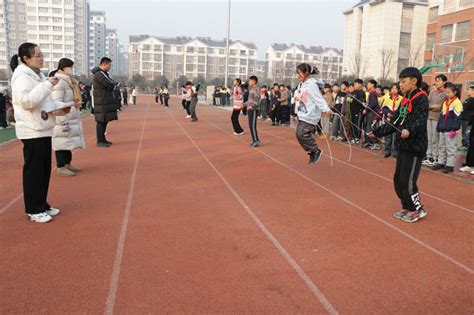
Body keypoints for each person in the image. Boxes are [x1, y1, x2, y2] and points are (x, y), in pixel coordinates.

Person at [10, 42, 67, 223]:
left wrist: (62, 107)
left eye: (42, 55)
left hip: (43, 128)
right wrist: (48, 85)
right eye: (38, 55)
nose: (42, 58)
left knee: (43, 170)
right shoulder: (22, 77)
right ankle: (33, 209)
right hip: (32, 130)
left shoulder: (38, 75)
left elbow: (44, 103)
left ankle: (42, 203)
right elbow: (27, 102)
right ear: (26, 59)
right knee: (34, 171)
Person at [368, 67, 429, 223]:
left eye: (403, 81)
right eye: (400, 81)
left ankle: (417, 209)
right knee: (398, 179)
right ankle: (407, 206)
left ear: (414, 81)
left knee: (408, 180)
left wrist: (409, 130)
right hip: (402, 146)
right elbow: (394, 122)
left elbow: (420, 121)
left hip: (415, 147)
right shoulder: (404, 99)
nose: (400, 85)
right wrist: (376, 132)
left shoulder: (421, 98)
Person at [50, 58, 85, 177]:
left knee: (68, 140)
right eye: (70, 67)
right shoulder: (59, 81)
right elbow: (56, 101)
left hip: (69, 114)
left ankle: (67, 164)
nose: (71, 69)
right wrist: (69, 106)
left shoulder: (69, 81)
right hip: (62, 116)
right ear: (63, 67)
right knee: (61, 141)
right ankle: (60, 166)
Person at [294, 63, 332, 165]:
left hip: (310, 115)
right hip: (303, 113)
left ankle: (315, 150)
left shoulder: (311, 85)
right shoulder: (302, 84)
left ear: (306, 73)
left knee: (301, 134)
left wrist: (326, 109)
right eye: (297, 73)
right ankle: (312, 151)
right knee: (298, 134)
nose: (297, 75)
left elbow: (318, 98)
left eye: (299, 73)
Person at [432, 83, 463, 174]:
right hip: (443, 128)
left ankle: (450, 165)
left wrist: (454, 129)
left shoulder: (457, 103)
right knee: (441, 146)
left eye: (449, 92)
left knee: (451, 148)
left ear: (455, 92)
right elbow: (442, 116)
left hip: (450, 130)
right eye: (446, 92)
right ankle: (441, 162)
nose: (447, 94)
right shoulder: (445, 102)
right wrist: (439, 127)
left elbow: (458, 118)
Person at [92, 57, 117, 147]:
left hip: (104, 100)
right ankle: (100, 140)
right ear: (104, 64)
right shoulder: (99, 74)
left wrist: (112, 84)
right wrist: (112, 84)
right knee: (101, 121)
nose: (110, 67)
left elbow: (111, 83)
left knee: (104, 121)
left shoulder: (104, 74)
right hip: (101, 101)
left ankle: (103, 139)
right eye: (109, 65)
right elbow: (109, 85)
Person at [424, 74, 447, 167]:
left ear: (444, 82)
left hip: (437, 118)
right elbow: (426, 103)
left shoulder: (445, 93)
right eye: (436, 80)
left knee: (435, 139)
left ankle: (435, 157)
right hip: (429, 117)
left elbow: (439, 107)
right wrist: (432, 107)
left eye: (439, 81)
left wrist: (431, 106)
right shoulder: (433, 92)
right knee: (429, 138)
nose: (437, 82)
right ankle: (428, 156)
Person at [381, 83, 403, 158]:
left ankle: (395, 152)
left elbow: (401, 109)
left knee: (395, 136)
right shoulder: (387, 98)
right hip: (388, 119)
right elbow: (383, 108)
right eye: (392, 88)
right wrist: (387, 113)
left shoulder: (401, 98)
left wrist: (394, 115)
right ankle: (387, 151)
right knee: (388, 136)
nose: (394, 90)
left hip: (396, 120)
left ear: (398, 89)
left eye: (396, 89)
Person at [362, 79, 380, 149]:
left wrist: (366, 109)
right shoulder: (372, 92)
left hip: (372, 112)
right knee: (368, 127)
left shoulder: (372, 92)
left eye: (369, 84)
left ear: (372, 85)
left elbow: (373, 104)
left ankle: (375, 143)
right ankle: (369, 142)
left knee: (371, 127)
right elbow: (371, 103)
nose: (367, 85)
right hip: (371, 112)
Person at [460, 85, 474, 174]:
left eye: (470, 89)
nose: (468, 90)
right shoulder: (469, 99)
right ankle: (469, 164)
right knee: (471, 143)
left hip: (469, 120)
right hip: (471, 122)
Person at [244, 76, 261, 147]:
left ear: (254, 81)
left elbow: (257, 101)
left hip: (253, 110)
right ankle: (254, 140)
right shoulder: (251, 89)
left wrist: (252, 106)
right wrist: (243, 104)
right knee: (250, 126)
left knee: (253, 126)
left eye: (250, 81)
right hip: (250, 109)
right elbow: (250, 101)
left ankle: (256, 140)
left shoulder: (256, 89)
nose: (249, 82)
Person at [350, 79, 365, 143]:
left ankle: (357, 138)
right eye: (354, 84)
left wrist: (353, 100)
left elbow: (362, 102)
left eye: (356, 84)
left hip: (358, 111)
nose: (354, 85)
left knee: (357, 124)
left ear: (360, 85)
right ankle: (353, 136)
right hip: (352, 111)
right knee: (353, 124)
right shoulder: (354, 92)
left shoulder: (361, 93)